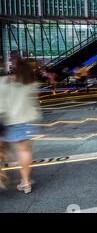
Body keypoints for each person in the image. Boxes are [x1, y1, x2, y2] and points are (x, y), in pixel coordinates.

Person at [0, 57, 41, 194]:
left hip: (6, 121)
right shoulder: (30, 83)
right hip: (26, 121)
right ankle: (26, 183)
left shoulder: (3, 83)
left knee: (2, 151)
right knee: (24, 151)